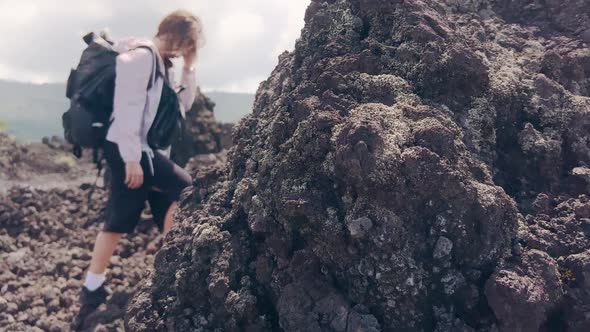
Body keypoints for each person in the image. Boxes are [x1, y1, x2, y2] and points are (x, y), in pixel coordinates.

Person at [71, 10, 203, 330]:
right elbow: (127, 107)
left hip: (146, 152)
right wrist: (132, 159)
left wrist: (188, 68)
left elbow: (182, 107)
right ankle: (97, 287)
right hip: (129, 150)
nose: (187, 50)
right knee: (176, 194)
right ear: (179, 37)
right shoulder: (143, 57)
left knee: (163, 203)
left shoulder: (163, 64)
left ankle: (97, 286)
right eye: (189, 45)